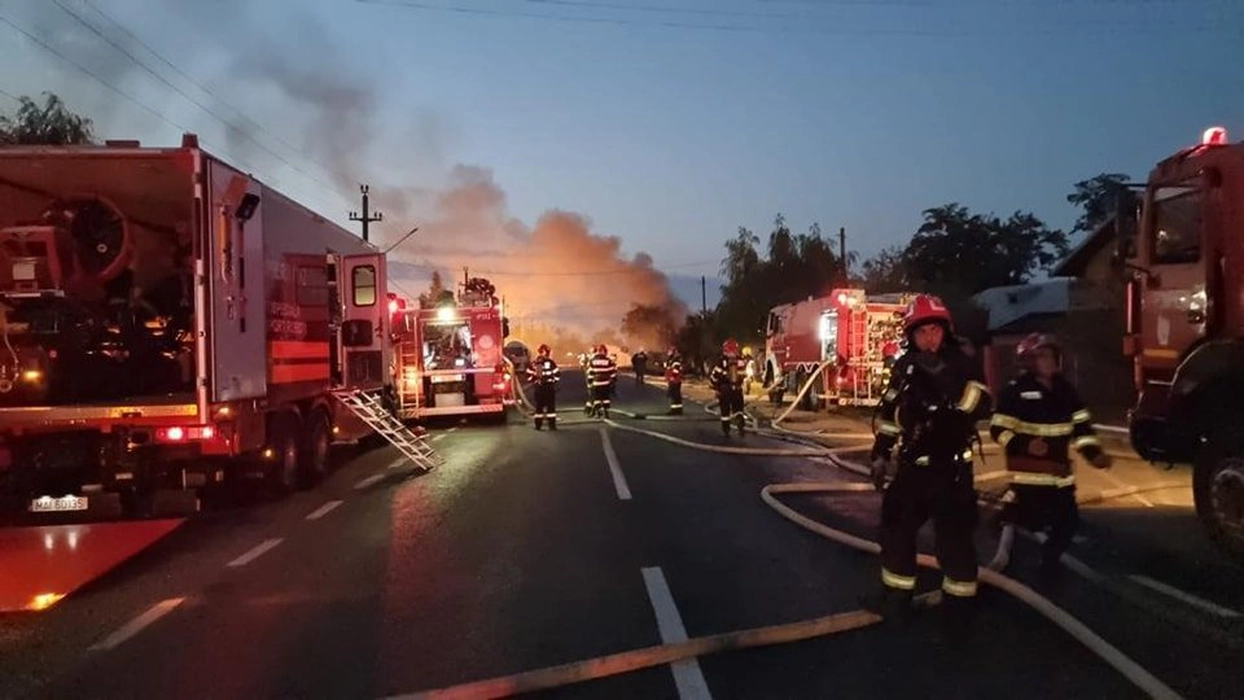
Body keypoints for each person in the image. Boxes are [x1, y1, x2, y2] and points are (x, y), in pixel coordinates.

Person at [864, 294, 992, 627]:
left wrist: (947, 402)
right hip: (914, 470)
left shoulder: (962, 363)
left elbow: (981, 401)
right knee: (894, 530)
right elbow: (890, 416)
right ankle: (897, 598)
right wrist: (880, 455)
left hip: (951, 471)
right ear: (911, 336)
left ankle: (959, 610)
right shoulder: (904, 367)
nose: (929, 338)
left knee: (954, 541)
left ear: (945, 330)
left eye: (934, 330)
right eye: (922, 332)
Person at [990, 333, 1112, 576]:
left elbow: (1082, 429)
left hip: (1059, 477)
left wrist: (1094, 455)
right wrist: (1024, 445)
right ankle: (1011, 517)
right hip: (1029, 479)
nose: (1049, 361)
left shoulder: (1066, 391)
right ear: (1029, 361)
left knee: (1068, 523)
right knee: (1033, 521)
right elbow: (998, 430)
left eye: (1051, 355)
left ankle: (1049, 564)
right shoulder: (1015, 392)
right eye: (1042, 356)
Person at [710, 339, 748, 436]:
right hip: (737, 389)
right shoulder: (740, 360)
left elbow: (714, 376)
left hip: (725, 389)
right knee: (739, 409)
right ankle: (741, 426)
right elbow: (744, 374)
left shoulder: (721, 360)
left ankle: (726, 430)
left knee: (725, 411)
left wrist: (716, 387)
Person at [527, 344, 561, 430]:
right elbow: (557, 375)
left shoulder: (534, 363)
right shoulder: (551, 362)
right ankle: (552, 426)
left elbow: (528, 375)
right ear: (546, 352)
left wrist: (534, 381)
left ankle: (538, 426)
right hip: (549, 388)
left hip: (539, 388)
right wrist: (553, 381)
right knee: (550, 407)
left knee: (539, 407)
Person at [587, 344, 618, 418]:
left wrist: (590, 382)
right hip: (606, 383)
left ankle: (598, 413)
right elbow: (612, 372)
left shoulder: (593, 361)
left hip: (596, 383)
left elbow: (590, 373)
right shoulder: (608, 361)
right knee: (606, 398)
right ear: (604, 351)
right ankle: (606, 413)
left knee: (597, 398)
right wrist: (613, 381)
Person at [664, 346, 684, 415]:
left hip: (675, 380)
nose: (668, 352)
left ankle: (674, 411)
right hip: (673, 380)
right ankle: (678, 410)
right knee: (675, 395)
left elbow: (676, 370)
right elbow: (667, 367)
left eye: (669, 351)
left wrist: (673, 377)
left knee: (674, 395)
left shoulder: (676, 360)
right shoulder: (671, 360)